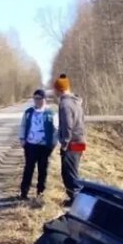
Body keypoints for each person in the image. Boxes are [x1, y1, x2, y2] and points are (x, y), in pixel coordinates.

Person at [18, 88, 56, 202]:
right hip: (30, 145)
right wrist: (22, 139)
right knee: (28, 169)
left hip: (45, 146)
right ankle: (24, 192)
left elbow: (56, 129)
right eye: (35, 99)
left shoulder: (50, 113)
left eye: (39, 99)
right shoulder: (29, 112)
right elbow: (23, 126)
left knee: (42, 170)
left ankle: (40, 193)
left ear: (44, 99)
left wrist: (53, 143)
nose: (37, 101)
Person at [55, 73, 86, 205]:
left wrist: (64, 143)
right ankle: (74, 198)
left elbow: (68, 124)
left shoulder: (65, 104)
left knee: (69, 172)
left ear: (59, 89)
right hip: (80, 141)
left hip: (72, 143)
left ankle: (76, 200)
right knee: (72, 170)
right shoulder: (75, 101)